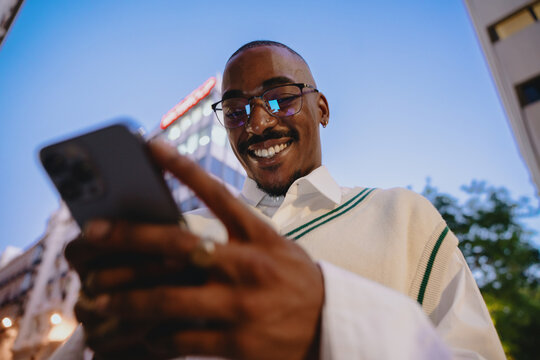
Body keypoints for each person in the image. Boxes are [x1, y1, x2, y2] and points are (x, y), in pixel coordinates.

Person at [51, 41, 505, 360]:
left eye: (281, 98)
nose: (259, 123)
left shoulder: (401, 215)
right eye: (235, 111)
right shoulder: (183, 236)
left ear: (322, 109)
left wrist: (331, 326)